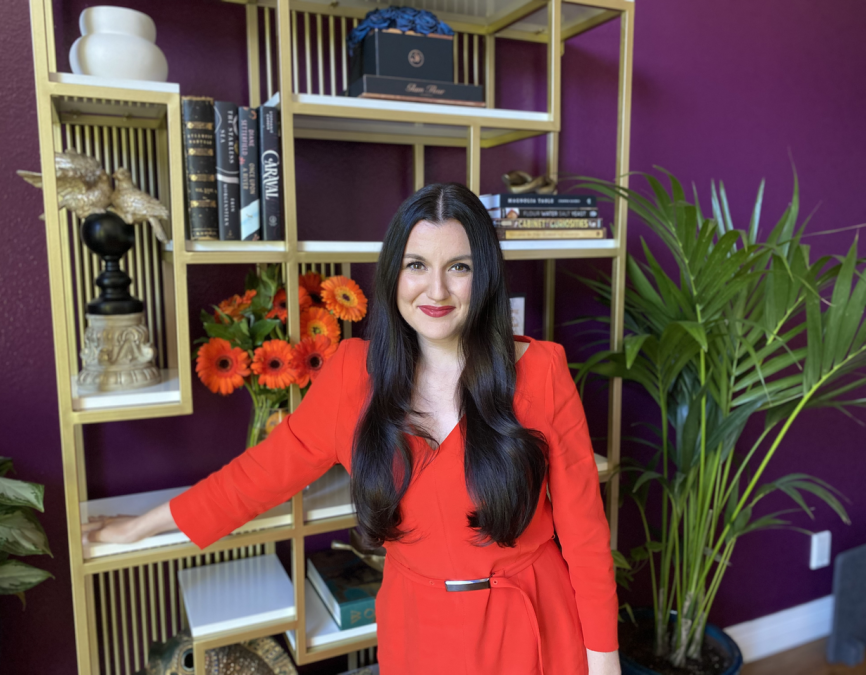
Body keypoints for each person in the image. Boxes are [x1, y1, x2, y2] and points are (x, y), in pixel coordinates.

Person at [84, 183, 621, 675]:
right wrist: (141, 526)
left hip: (532, 625)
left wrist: (603, 663)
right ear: (392, 274)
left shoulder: (540, 371)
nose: (436, 290)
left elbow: (585, 535)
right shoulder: (351, 376)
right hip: (416, 629)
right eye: (416, 265)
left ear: (485, 277)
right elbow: (258, 476)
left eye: (459, 266)